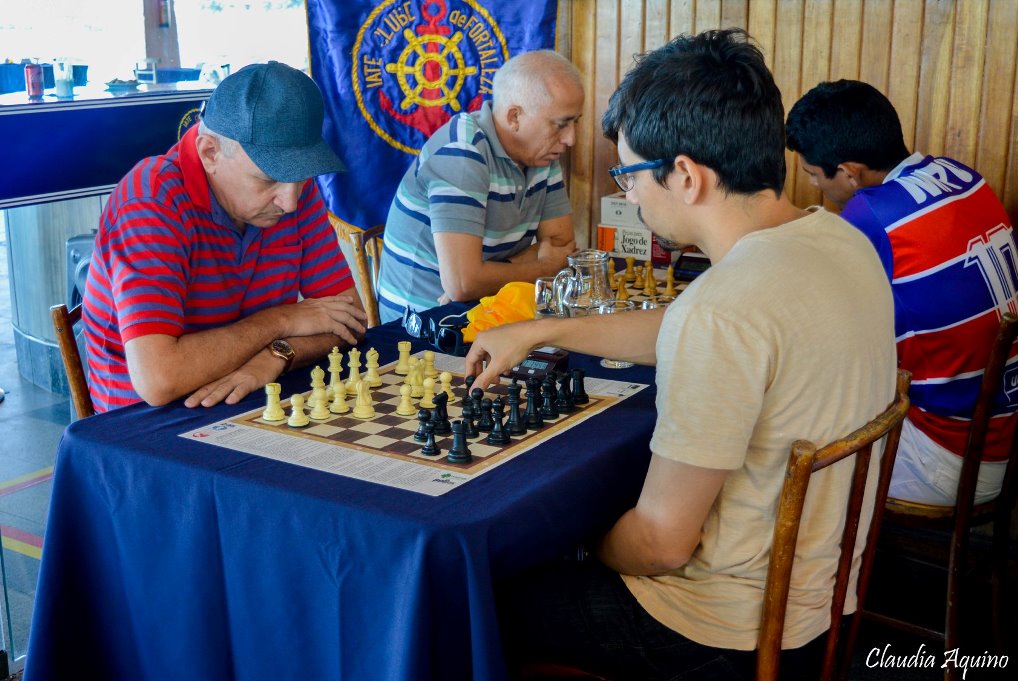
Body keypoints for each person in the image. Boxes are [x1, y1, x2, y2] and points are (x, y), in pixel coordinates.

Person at [465, 30, 896, 680]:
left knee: (476, 598)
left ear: (687, 176)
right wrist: (542, 330)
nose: (630, 195)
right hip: (829, 598)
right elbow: (685, 325)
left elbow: (662, 546)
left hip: (715, 629)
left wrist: (583, 541)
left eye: (631, 174)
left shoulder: (721, 312)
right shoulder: (838, 240)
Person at [786, 79, 1018, 505]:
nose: (819, 190)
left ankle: (814, 570)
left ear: (850, 173)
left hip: (951, 458)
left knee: (779, 445)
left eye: (813, 176)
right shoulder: (960, 175)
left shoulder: (871, 212)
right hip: (1008, 434)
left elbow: (819, 331)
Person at [82, 61, 366, 413]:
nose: (290, 202)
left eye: (301, 176)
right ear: (210, 153)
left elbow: (350, 319)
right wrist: (283, 320)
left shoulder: (293, 190)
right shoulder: (151, 202)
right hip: (143, 422)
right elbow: (160, 380)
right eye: (268, 179)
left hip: (256, 396)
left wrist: (276, 355)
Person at [376, 49, 582, 323]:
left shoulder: (542, 153)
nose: (571, 139)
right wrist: (542, 266)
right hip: (421, 326)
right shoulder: (461, 150)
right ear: (513, 117)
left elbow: (561, 245)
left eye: (575, 122)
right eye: (560, 125)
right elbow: (463, 284)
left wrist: (486, 277)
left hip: (484, 308)